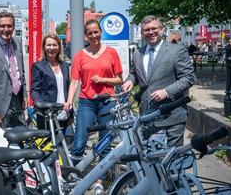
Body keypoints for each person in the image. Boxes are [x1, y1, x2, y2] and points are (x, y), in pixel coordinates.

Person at [64, 19, 123, 194]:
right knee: (79, 142)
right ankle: (74, 179)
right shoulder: (80, 55)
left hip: (107, 102)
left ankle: (100, 181)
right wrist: (69, 100)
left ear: (100, 32)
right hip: (86, 102)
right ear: (86, 35)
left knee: (105, 143)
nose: (93, 36)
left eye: (96, 32)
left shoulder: (111, 52)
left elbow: (119, 79)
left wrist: (104, 80)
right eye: (90, 33)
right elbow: (75, 81)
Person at [122, 15, 196, 147]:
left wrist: (166, 92)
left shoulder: (176, 50)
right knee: (151, 163)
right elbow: (135, 74)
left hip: (171, 116)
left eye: (153, 28)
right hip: (147, 117)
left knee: (172, 162)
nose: (150, 32)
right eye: (146, 30)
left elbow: (188, 78)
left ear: (161, 29)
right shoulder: (138, 53)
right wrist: (130, 80)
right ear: (141, 33)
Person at [31, 33, 72, 133]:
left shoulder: (65, 65)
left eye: (54, 45)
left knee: (61, 144)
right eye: (48, 45)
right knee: (46, 146)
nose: (51, 48)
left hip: (64, 113)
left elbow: (68, 89)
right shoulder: (38, 66)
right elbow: (34, 91)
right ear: (44, 47)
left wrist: (71, 113)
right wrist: (44, 106)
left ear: (59, 47)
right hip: (47, 114)